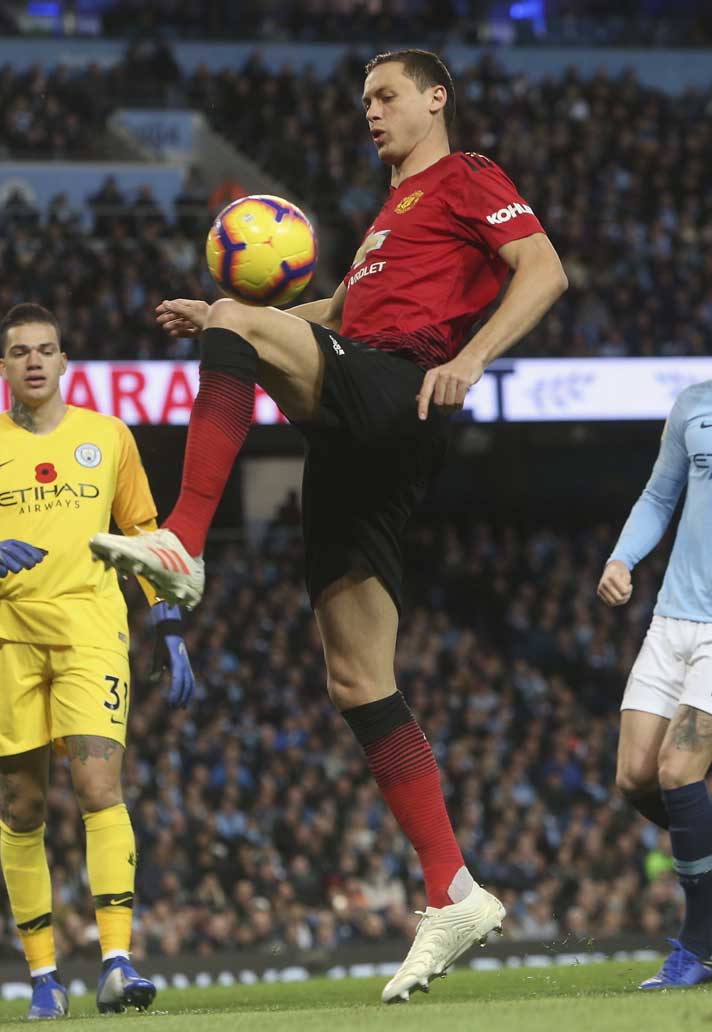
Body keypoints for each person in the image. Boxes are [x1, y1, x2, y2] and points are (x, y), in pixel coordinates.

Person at [91, 49, 567, 1002]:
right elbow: (340, 313)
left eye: (387, 96)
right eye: (363, 101)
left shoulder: (466, 175)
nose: (371, 112)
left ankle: (184, 538)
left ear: (436, 98)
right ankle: (453, 889)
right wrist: (222, 320)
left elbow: (544, 271)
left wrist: (472, 357)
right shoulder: (389, 216)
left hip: (397, 391)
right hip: (363, 431)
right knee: (357, 678)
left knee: (242, 321)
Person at [0, 303, 195, 1018]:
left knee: (98, 787)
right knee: (21, 806)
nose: (33, 361)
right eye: (20, 351)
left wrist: (168, 623)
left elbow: (143, 531)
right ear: (4, 366)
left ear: (63, 362)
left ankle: (117, 961)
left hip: (91, 632)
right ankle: (44, 977)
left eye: (45, 349)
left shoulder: (107, 436)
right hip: (8, 639)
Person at [598, 381, 712, 989]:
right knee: (635, 776)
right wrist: (622, 559)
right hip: (672, 620)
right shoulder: (694, 403)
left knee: (677, 769)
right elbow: (659, 494)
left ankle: (701, 946)